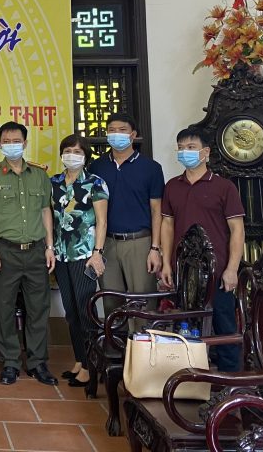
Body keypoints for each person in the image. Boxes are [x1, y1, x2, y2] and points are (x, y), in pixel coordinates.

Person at [0, 121, 58, 386]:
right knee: (5, 308)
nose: (11, 145)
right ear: (0, 144)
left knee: (38, 309)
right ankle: (10, 362)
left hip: (36, 251)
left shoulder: (39, 175)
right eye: (6, 141)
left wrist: (49, 246)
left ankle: (37, 362)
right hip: (5, 252)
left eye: (16, 141)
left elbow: (46, 211)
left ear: (25, 143)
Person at [160, 126, 245, 372]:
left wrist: (232, 269)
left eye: (191, 147)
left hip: (218, 272)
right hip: (183, 273)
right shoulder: (172, 186)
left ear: (205, 152)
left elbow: (237, 230)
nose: (184, 152)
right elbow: (167, 225)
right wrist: (166, 263)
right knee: (185, 327)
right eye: (181, 148)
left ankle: (231, 382)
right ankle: (189, 378)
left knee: (224, 326)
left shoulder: (224, 187)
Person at [88, 113, 165, 316]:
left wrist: (155, 248)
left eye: (122, 130)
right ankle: (114, 338)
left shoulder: (151, 168)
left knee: (143, 302)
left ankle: (140, 338)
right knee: (111, 302)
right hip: (107, 244)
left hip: (140, 243)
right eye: (112, 130)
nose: (116, 134)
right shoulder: (96, 167)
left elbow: (157, 210)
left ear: (133, 135)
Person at [50, 134, 109, 388]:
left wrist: (97, 252)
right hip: (61, 255)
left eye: (77, 152)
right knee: (71, 311)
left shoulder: (95, 183)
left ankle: (90, 367)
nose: (71, 155)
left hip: (84, 256)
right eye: (67, 151)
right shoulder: (54, 182)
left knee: (86, 311)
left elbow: (102, 221)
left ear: (86, 156)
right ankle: (79, 360)